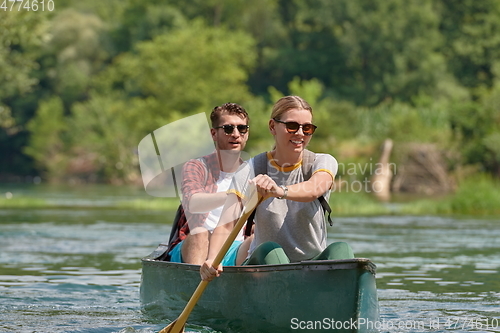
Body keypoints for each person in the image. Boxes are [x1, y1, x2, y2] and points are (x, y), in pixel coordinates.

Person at [200, 95, 354, 281]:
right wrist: (211, 259)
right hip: (265, 267)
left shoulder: (322, 161)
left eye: (307, 128)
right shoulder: (250, 169)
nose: (300, 133)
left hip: (310, 268)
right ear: (273, 126)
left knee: (342, 250)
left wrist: (278, 191)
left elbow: (314, 189)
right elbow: (226, 224)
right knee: (270, 250)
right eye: (292, 126)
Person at [168, 103, 253, 265]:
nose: (235, 134)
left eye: (242, 129)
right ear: (214, 134)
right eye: (228, 129)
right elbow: (193, 202)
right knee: (200, 232)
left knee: (257, 241)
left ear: (246, 133)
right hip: (196, 244)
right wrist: (234, 195)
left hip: (234, 247)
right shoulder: (197, 166)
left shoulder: (253, 171)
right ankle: (196, 281)